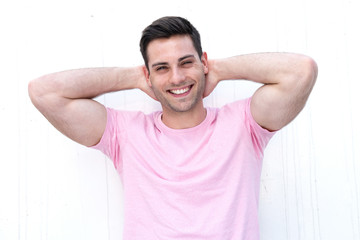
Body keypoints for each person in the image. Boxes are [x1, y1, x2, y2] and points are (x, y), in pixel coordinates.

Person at [28, 16, 317, 240]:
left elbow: (301, 71)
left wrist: (219, 69)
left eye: (186, 62)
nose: (177, 77)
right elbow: (44, 92)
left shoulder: (244, 124)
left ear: (203, 62)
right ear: (148, 74)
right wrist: (135, 77)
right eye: (162, 67)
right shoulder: (125, 133)